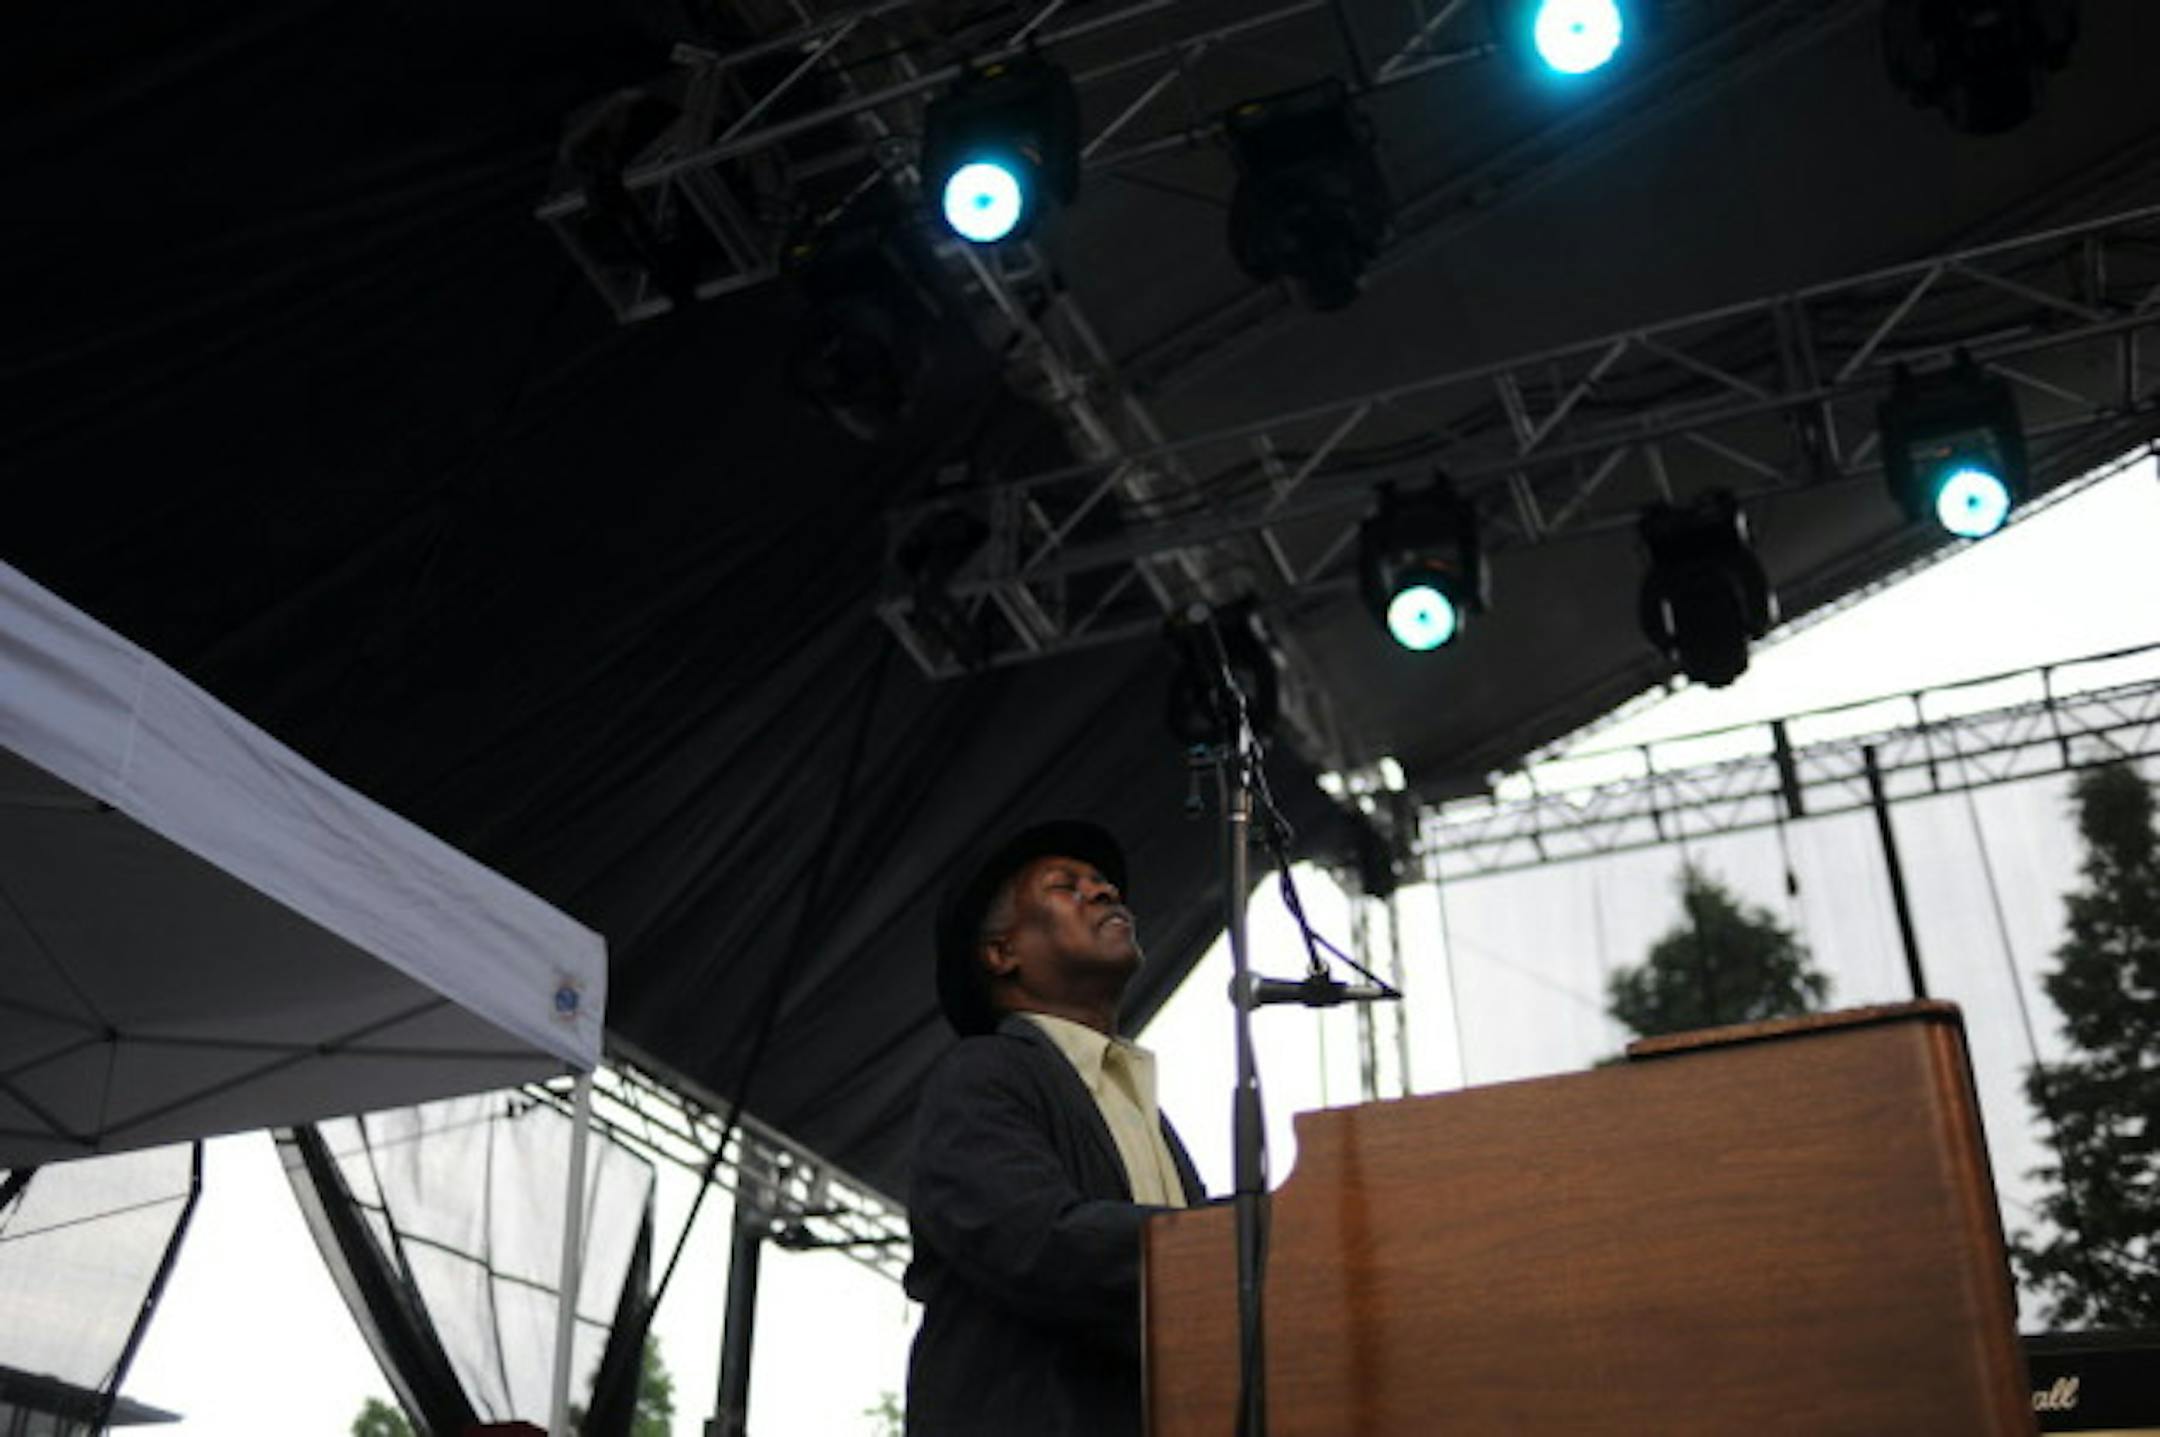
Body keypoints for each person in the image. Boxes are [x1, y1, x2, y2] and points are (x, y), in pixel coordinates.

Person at [904, 820, 1207, 1437]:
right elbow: (1037, 1242)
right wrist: (1237, 1242)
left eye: (1101, 882)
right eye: (1066, 886)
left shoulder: (1143, 1112)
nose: (1103, 891)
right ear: (1001, 954)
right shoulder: (981, 1074)